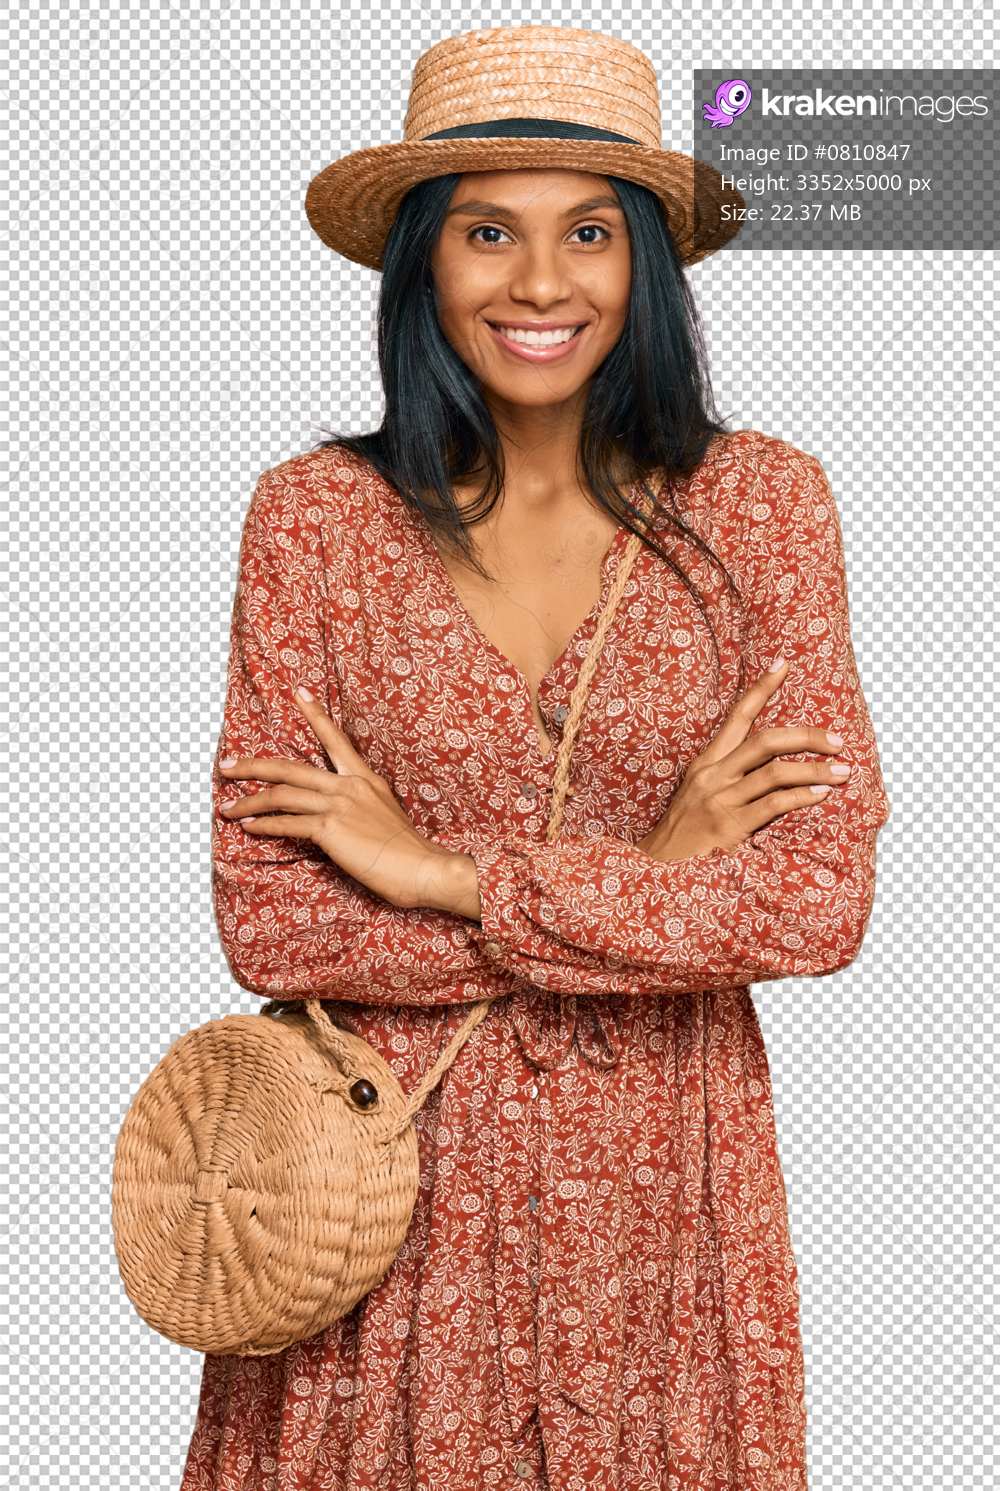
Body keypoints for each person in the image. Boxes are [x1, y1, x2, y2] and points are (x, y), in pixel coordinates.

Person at [181, 25, 889, 1491]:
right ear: (423, 265)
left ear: (646, 265)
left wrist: (441, 876)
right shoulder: (314, 521)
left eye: (588, 233)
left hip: (661, 1203)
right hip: (374, 1192)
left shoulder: (761, 508)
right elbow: (272, 917)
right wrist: (656, 882)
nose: (541, 282)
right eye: (486, 231)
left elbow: (818, 901)